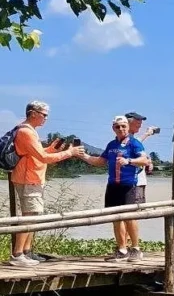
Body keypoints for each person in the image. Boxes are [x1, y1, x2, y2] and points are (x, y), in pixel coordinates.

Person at [4, 101, 84, 267]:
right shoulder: (26, 132)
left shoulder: (29, 131)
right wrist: (69, 152)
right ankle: (18, 253)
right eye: (44, 114)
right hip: (28, 178)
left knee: (33, 215)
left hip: (32, 177)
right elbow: (43, 158)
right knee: (29, 216)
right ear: (33, 113)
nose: (46, 118)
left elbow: (37, 154)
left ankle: (26, 251)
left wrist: (52, 150)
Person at [79, 116, 150, 262]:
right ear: (113, 128)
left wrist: (129, 160)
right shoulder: (111, 145)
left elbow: (145, 160)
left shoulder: (134, 144)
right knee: (115, 218)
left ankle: (136, 248)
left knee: (129, 217)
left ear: (128, 127)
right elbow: (100, 161)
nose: (121, 129)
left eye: (124, 126)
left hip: (128, 185)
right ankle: (122, 250)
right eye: (118, 127)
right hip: (112, 186)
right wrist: (82, 156)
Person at [123, 111, 158, 260]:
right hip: (131, 182)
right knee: (128, 215)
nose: (140, 124)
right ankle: (127, 246)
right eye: (137, 122)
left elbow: (139, 145)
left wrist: (147, 160)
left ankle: (129, 246)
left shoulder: (133, 140)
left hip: (136, 182)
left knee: (130, 215)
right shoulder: (125, 139)